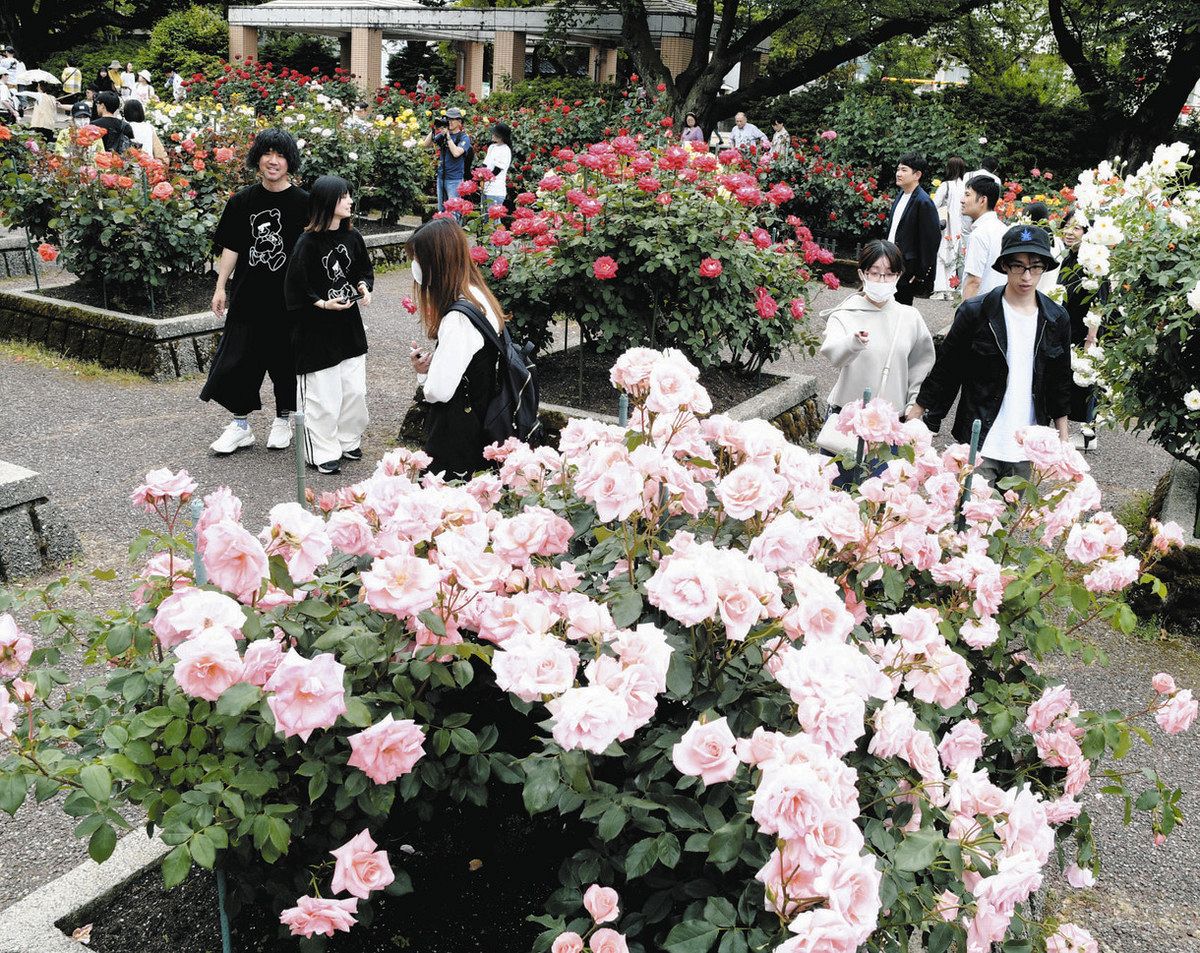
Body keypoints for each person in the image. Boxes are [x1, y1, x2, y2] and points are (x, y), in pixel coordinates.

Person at [908, 225, 1073, 487]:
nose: (1026, 276)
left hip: (1027, 445)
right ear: (1005, 266)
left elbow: (1060, 381)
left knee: (1006, 521)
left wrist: (1063, 440)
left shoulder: (1056, 318)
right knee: (972, 518)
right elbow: (947, 368)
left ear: (1044, 268)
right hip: (979, 439)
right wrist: (918, 416)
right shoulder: (976, 311)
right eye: (1018, 266)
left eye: (1035, 266)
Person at [200, 129, 310, 455]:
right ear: (257, 159)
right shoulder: (241, 201)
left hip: (289, 301)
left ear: (290, 161)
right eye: (267, 154)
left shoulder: (305, 204)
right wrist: (221, 287)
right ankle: (240, 426)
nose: (273, 161)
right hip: (248, 296)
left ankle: (282, 421)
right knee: (238, 361)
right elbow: (232, 247)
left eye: (280, 155)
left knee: (285, 363)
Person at [283, 175, 374, 475]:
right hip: (315, 332)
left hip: (349, 327)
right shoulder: (306, 243)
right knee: (322, 396)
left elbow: (363, 269)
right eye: (344, 196)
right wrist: (322, 303)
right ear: (327, 202)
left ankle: (347, 440)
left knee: (354, 391)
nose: (350, 201)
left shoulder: (354, 237)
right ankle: (321, 451)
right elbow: (295, 286)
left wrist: (363, 286)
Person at [407, 217, 508, 480]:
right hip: (480, 419)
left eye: (417, 258)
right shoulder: (478, 294)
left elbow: (438, 391)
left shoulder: (457, 318)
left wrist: (425, 376)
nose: (414, 266)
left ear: (434, 262)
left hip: (456, 434)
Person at [819, 239, 935, 458]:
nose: (882, 280)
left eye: (890, 274)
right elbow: (834, 355)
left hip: (891, 424)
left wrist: (913, 404)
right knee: (839, 488)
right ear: (862, 274)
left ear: (899, 276)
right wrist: (852, 343)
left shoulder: (909, 317)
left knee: (884, 490)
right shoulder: (845, 313)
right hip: (848, 421)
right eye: (875, 273)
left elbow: (921, 365)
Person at [1056, 207, 1103, 451]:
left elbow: (1099, 302)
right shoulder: (1070, 257)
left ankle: (1088, 434)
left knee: (1086, 379)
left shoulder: (1092, 259)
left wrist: (1091, 338)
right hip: (1070, 326)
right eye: (1068, 225)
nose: (1070, 232)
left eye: (1076, 227)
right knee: (1069, 378)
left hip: (1086, 331)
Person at [885, 153, 941, 305]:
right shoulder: (901, 195)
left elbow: (931, 240)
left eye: (904, 170)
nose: (898, 173)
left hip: (906, 268)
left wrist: (920, 273)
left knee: (901, 311)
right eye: (898, 169)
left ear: (917, 175)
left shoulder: (923, 202)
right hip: (888, 262)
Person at [959, 175, 1007, 300]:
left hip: (982, 306)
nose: (962, 200)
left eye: (967, 195)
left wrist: (964, 315)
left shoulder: (979, 233)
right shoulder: (1003, 229)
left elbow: (974, 280)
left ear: (982, 200)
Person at [931, 156, 966, 299]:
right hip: (961, 227)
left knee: (941, 256)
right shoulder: (966, 186)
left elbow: (934, 205)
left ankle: (940, 290)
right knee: (955, 257)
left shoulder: (946, 185)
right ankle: (952, 289)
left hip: (947, 226)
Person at [424, 107, 471, 216]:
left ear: (459, 121)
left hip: (454, 179)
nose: (449, 122)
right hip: (441, 177)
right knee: (441, 210)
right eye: (447, 119)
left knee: (454, 211)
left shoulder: (463, 137)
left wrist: (448, 137)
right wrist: (434, 129)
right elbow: (425, 145)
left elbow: (456, 153)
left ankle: (454, 232)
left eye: (452, 119)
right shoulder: (443, 134)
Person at [481, 122, 512, 209]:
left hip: (496, 190)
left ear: (501, 136)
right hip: (486, 189)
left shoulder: (505, 150)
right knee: (485, 219)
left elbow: (496, 171)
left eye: (495, 133)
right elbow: (485, 165)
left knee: (494, 220)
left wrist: (484, 178)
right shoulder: (492, 147)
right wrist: (479, 176)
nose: (493, 135)